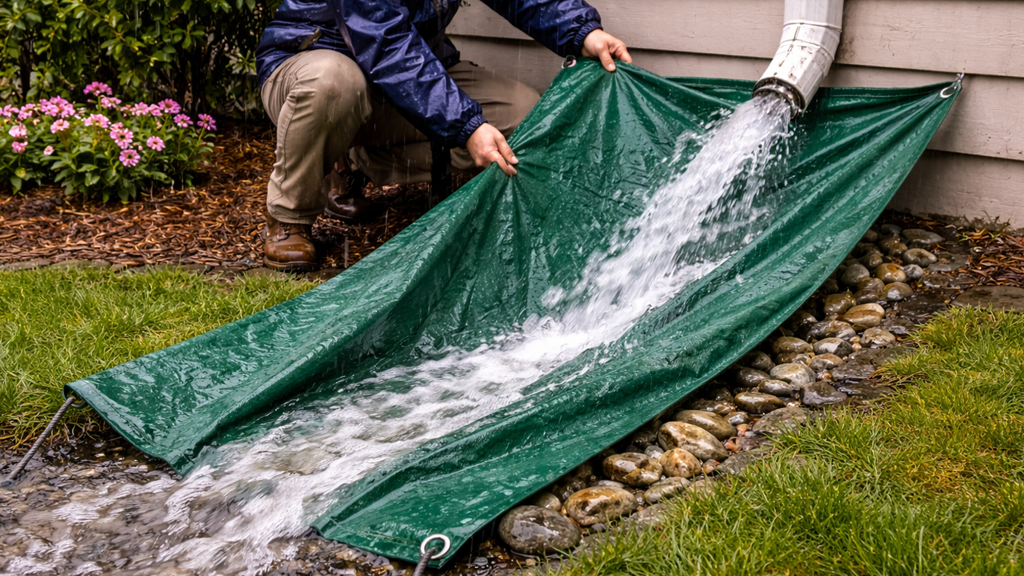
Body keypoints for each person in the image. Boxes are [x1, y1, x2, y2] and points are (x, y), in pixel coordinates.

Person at [255, 0, 632, 271]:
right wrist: (465, 125)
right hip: (313, 66)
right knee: (335, 84)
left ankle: (352, 158)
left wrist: (583, 32)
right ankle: (289, 217)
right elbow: (386, 44)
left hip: (399, 81)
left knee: (521, 116)